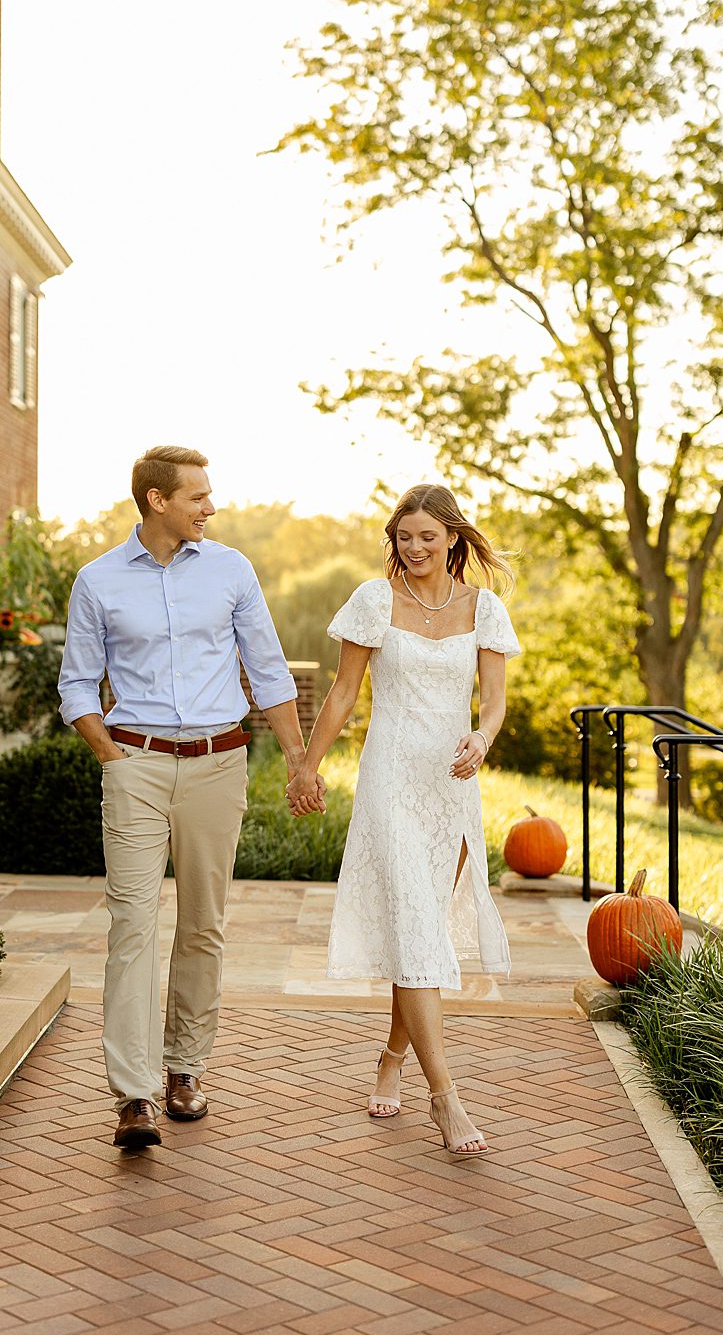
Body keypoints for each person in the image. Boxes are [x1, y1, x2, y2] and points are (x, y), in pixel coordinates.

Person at [59, 445, 318, 1152]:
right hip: (135, 763)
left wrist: (299, 760)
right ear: (156, 501)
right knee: (132, 927)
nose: (212, 506)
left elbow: (268, 671)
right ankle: (134, 1094)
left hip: (216, 765)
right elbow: (77, 685)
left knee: (203, 925)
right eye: (199, 496)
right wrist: (112, 760)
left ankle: (184, 1068)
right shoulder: (99, 580)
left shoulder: (231, 570)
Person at [298, 483, 520, 1154]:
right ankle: (446, 1101)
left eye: (429, 536)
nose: (415, 548)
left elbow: (494, 703)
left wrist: (482, 739)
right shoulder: (374, 601)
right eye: (405, 536)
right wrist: (307, 767)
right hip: (391, 779)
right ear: (393, 540)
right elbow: (342, 693)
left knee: (420, 931)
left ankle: (392, 1059)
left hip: (451, 787)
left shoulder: (485, 610)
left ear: (454, 537)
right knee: (417, 925)